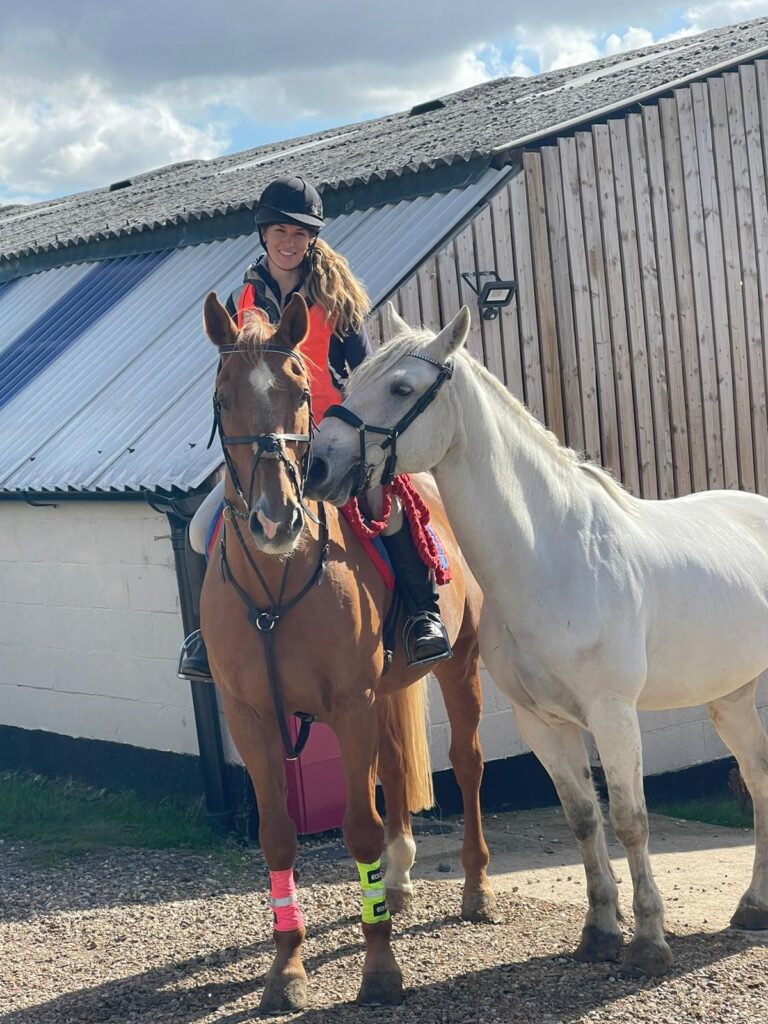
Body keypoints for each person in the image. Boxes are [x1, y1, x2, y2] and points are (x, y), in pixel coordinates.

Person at [178, 175, 451, 680]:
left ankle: (422, 616)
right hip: (267, 439)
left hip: (332, 435)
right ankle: (201, 636)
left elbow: (364, 373)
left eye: (300, 233)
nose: (290, 242)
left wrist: (352, 431)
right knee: (200, 529)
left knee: (384, 511)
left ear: (312, 239)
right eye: (281, 230)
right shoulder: (244, 298)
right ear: (264, 234)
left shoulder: (338, 298)